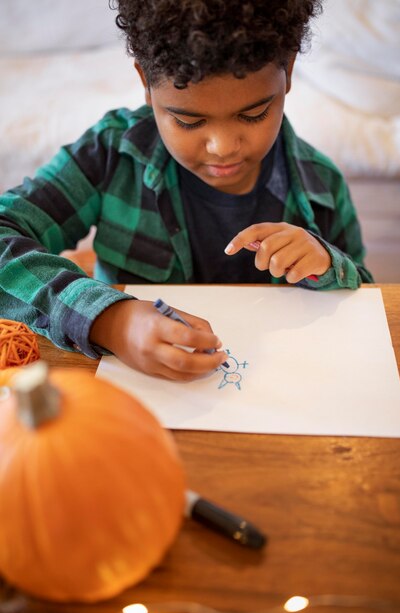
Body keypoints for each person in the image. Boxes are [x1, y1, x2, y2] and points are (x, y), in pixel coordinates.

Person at [0, 0, 373, 381]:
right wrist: (109, 320)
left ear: (289, 71)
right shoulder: (110, 155)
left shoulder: (321, 185)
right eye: (188, 120)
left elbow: (367, 299)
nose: (223, 147)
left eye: (253, 114)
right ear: (145, 82)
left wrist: (327, 265)